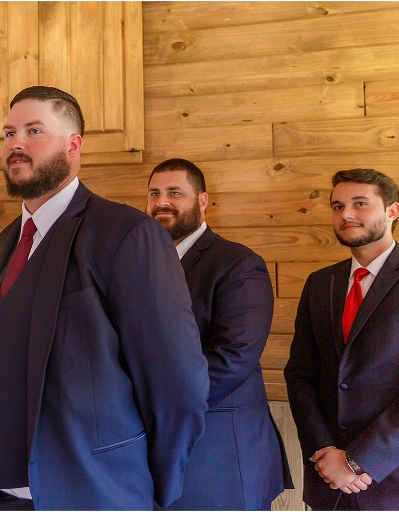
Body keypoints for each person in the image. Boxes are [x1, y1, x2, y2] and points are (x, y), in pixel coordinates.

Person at [0, 86, 209, 511]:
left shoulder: (125, 234)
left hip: (88, 494)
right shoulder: (4, 244)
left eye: (34, 131)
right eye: (8, 133)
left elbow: (177, 383)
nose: (16, 143)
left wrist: (149, 489)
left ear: (73, 145)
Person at [145, 158, 293, 510]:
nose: (161, 201)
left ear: (202, 201)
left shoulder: (237, 264)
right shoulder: (141, 263)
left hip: (220, 454)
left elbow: (233, 358)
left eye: (175, 192)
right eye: (154, 193)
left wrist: (155, 404)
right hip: (154, 449)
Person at [284, 168, 399, 510]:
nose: (346, 214)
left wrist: (359, 461)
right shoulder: (321, 284)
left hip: (391, 478)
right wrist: (325, 453)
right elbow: (300, 375)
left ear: (392, 210)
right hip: (326, 480)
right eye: (337, 206)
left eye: (360, 203)